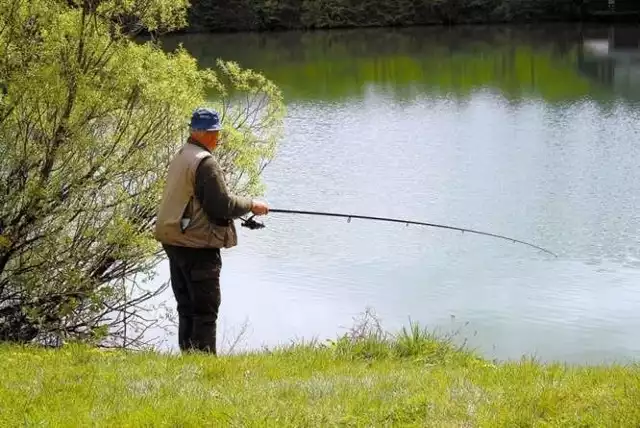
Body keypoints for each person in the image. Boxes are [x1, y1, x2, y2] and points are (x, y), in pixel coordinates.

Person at [154, 107, 269, 354]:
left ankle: (188, 361)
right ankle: (203, 366)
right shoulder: (205, 162)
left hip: (175, 240)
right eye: (216, 132)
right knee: (205, 309)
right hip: (197, 244)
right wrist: (252, 205)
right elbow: (221, 205)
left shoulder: (183, 154)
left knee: (186, 306)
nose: (218, 138)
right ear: (205, 133)